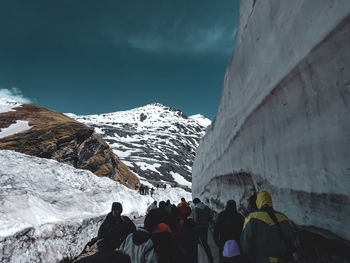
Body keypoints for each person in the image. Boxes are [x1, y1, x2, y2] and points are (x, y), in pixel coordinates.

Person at [240, 191, 296, 263]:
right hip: (281, 259)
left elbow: (245, 242)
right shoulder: (284, 218)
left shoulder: (252, 217)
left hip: (260, 259)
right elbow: (292, 240)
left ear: (258, 202)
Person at [192, 198, 213, 263]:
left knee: (200, 243)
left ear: (195, 203)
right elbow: (210, 217)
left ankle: (204, 258)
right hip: (205, 226)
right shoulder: (207, 208)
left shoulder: (196, 209)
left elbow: (195, 219)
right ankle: (209, 256)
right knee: (205, 242)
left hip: (199, 227)